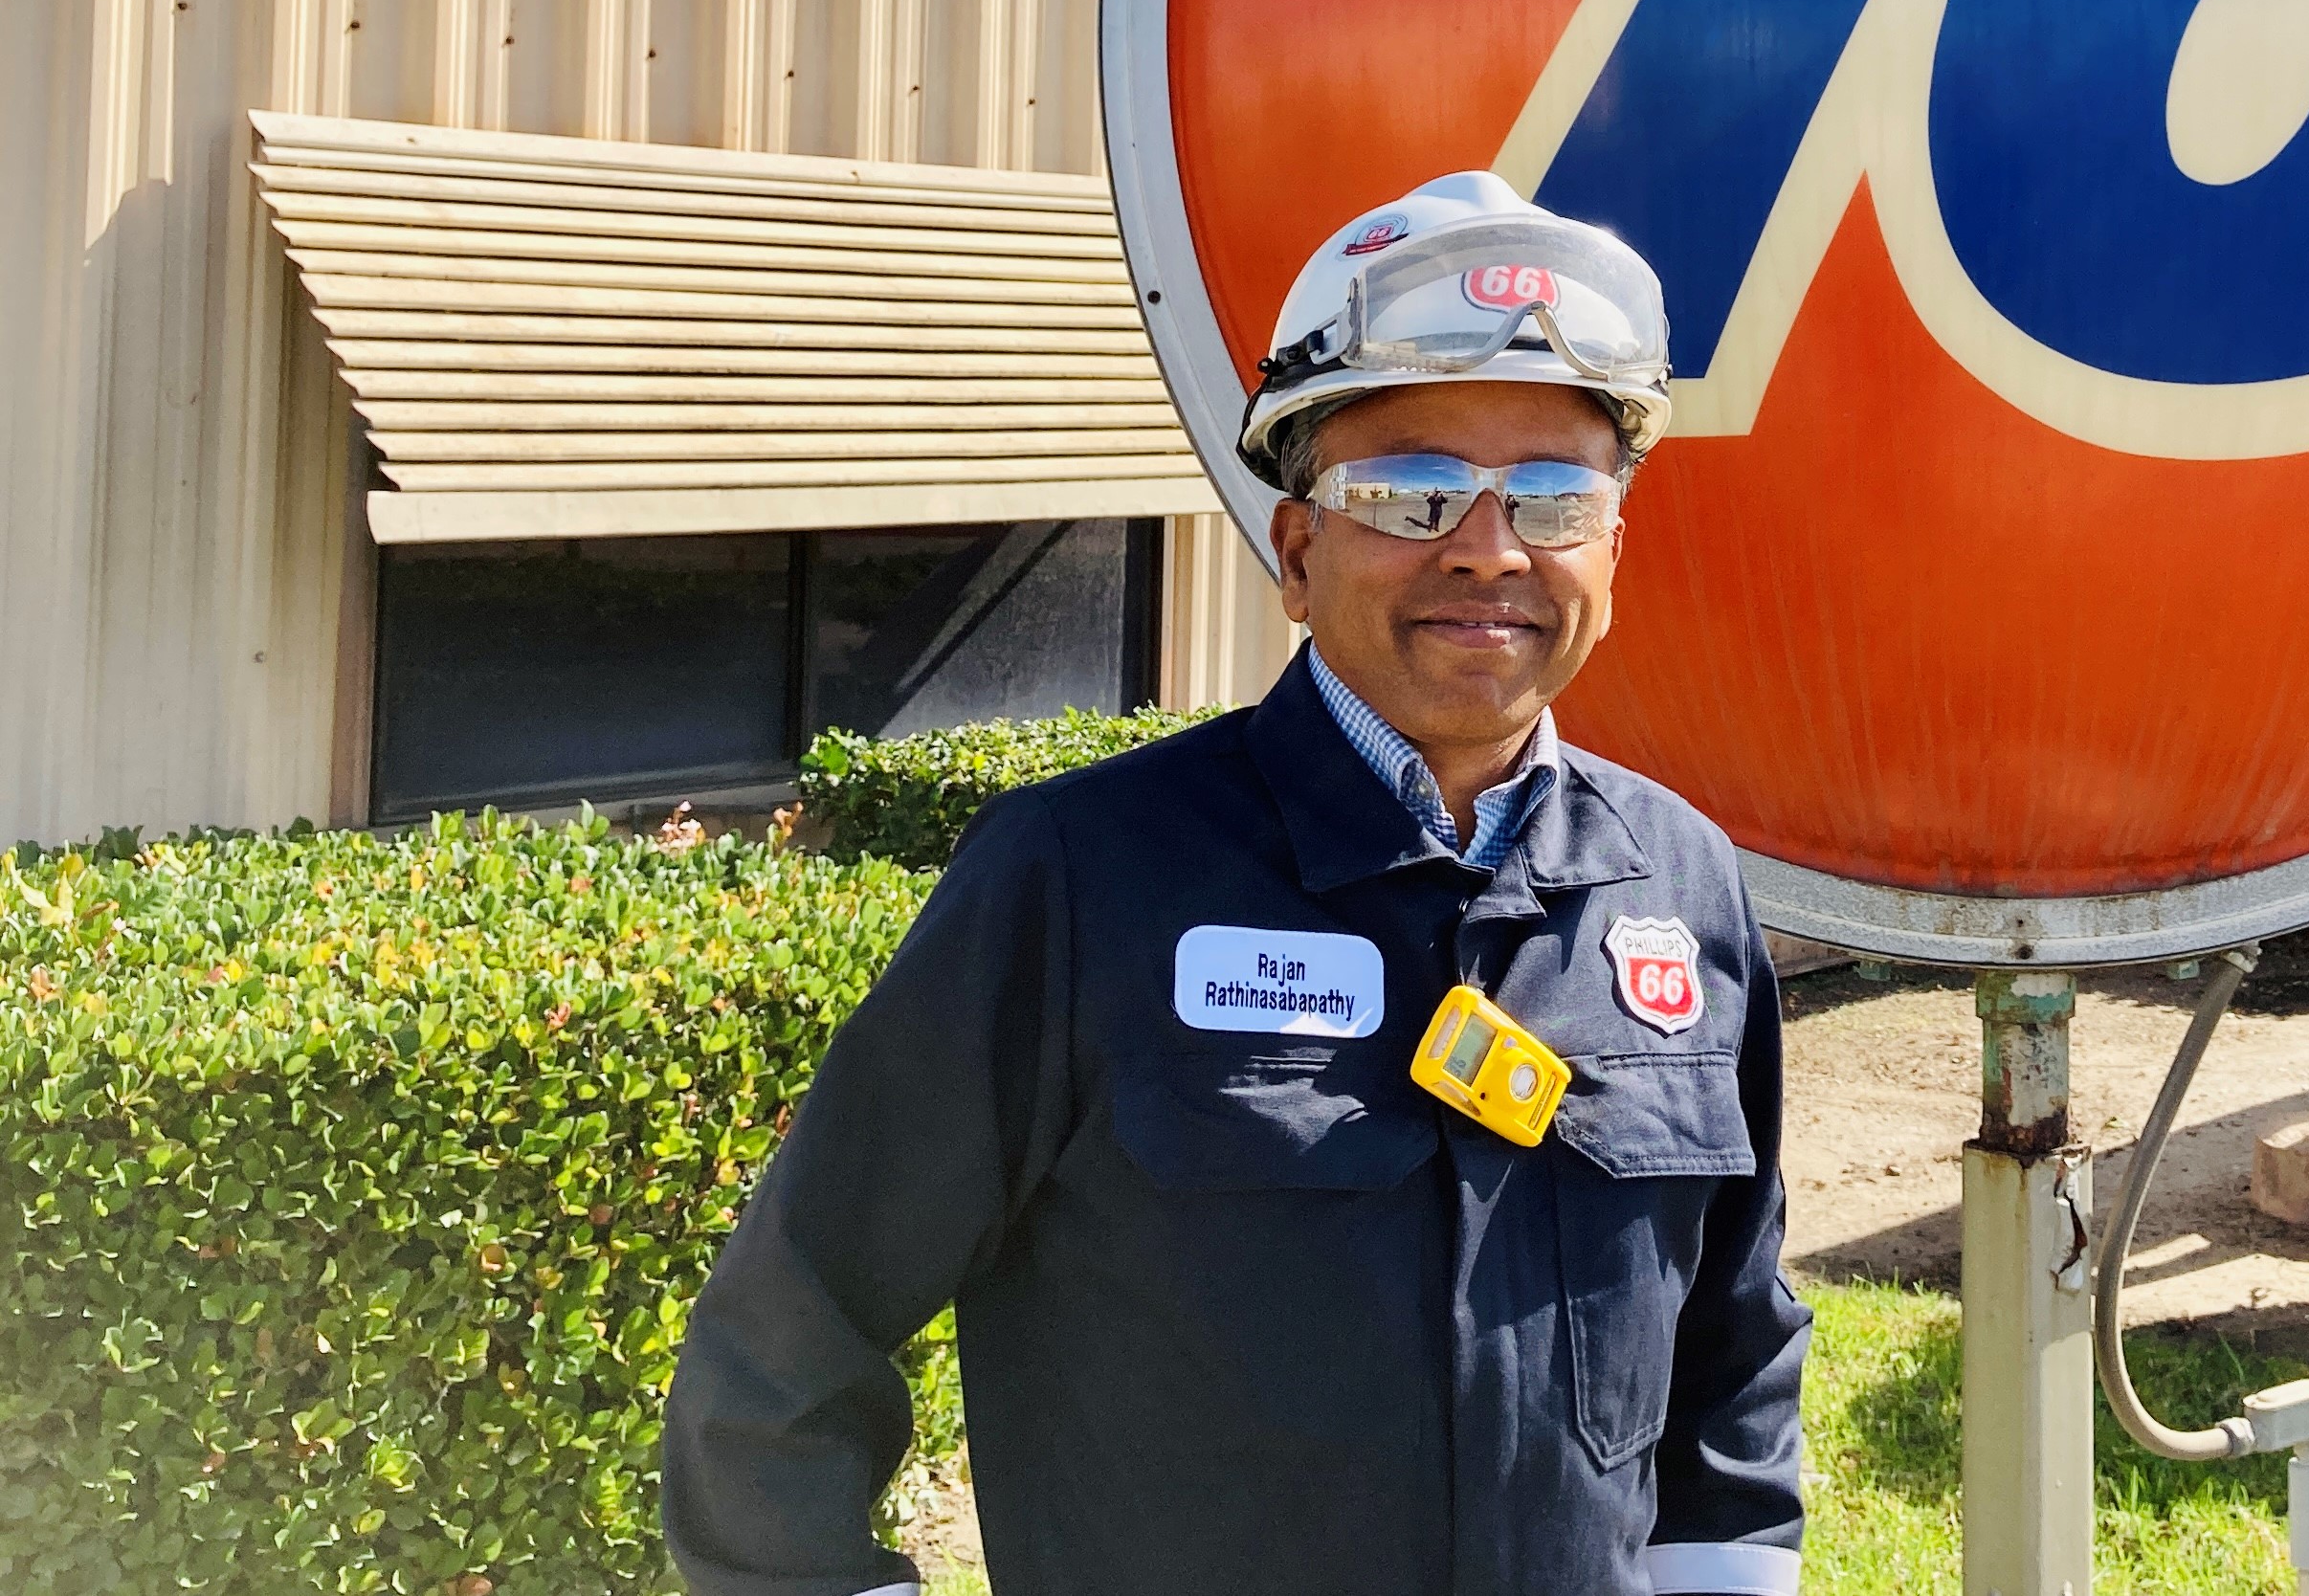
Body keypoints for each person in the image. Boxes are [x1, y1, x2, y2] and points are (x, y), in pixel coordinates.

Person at [661, 172, 1809, 1596]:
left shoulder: (1678, 883)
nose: (1491, 548)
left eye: (1555, 496)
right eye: (1411, 490)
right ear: (1296, 547)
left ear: (1612, 551)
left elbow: (1735, 1344)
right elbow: (790, 1333)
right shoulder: (1082, 876)